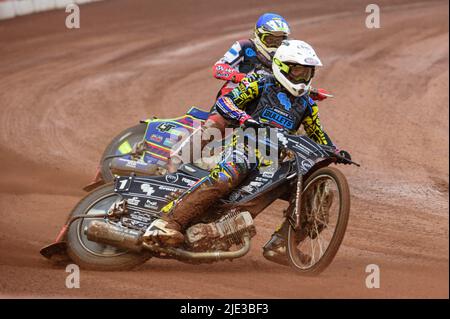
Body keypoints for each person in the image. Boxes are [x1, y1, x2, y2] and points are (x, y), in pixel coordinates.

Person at [144, 40, 351, 265]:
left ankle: (282, 245)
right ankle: (168, 222)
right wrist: (246, 119)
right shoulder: (260, 81)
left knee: (321, 194)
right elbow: (226, 103)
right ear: (282, 66)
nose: (302, 77)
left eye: (308, 72)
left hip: (275, 160)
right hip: (246, 145)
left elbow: (317, 133)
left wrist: (335, 151)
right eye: (298, 70)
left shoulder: (307, 104)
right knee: (229, 173)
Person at [204, 13, 331, 141]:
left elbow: (290, 79)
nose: (275, 45)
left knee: (295, 131)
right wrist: (241, 78)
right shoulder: (245, 46)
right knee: (214, 126)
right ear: (258, 35)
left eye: (280, 40)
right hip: (235, 96)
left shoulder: (285, 56)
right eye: (270, 40)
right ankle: (186, 156)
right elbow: (218, 68)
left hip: (265, 101)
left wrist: (312, 92)